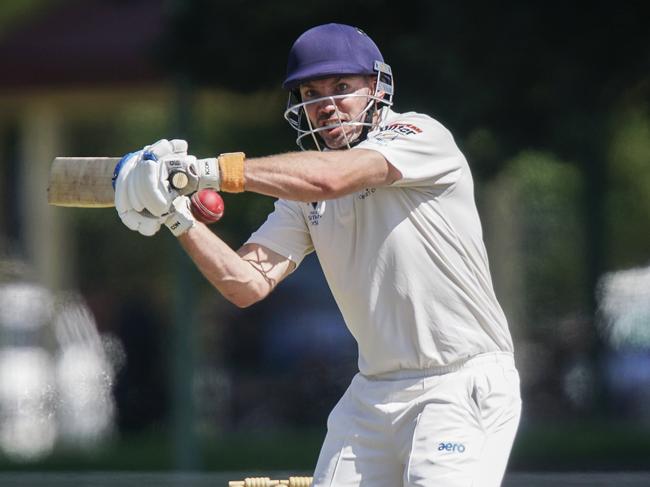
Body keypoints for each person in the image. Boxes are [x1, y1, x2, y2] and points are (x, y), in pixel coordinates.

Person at [114, 23, 521, 487]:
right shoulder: (301, 197)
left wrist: (207, 171)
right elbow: (244, 283)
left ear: (376, 88)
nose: (327, 104)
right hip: (373, 390)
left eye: (342, 87)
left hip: (460, 380)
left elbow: (334, 177)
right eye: (312, 92)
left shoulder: (419, 135)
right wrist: (176, 217)